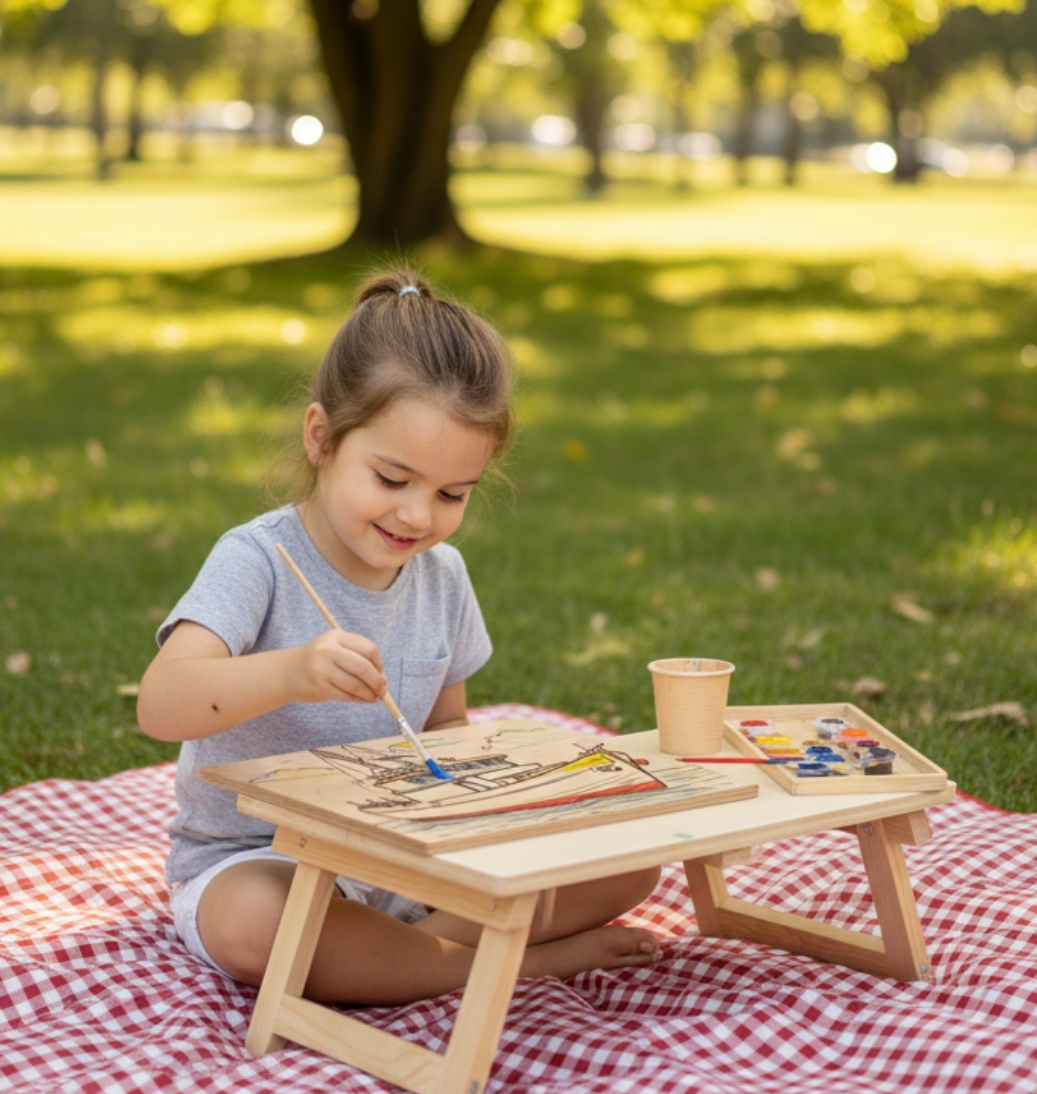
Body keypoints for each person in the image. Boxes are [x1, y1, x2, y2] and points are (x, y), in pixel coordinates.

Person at [138, 269, 661, 1004]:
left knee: (633, 864)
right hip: (263, 861)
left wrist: (481, 810)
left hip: (401, 866)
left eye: (452, 495)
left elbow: (447, 733)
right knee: (258, 925)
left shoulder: (442, 576)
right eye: (392, 479)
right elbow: (161, 704)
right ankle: (505, 962)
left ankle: (419, 948)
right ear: (321, 439)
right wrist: (290, 673)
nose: (418, 516)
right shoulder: (258, 559)